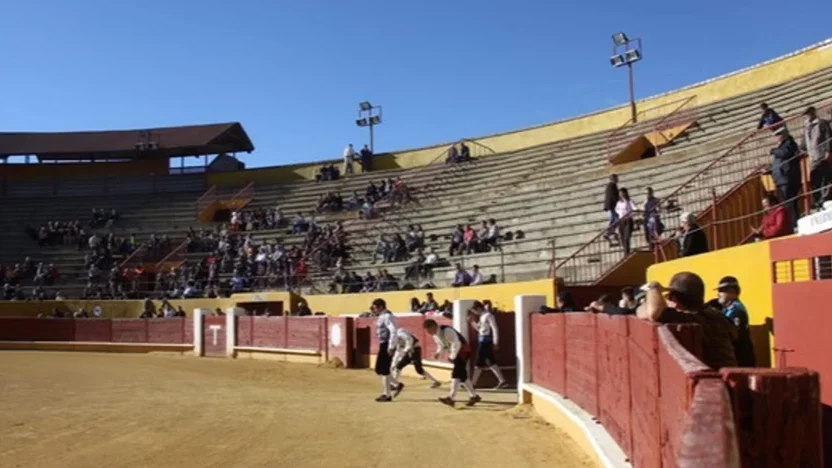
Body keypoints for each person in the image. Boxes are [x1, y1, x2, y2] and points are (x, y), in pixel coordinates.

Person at [636, 272, 738, 369]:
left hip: (714, 380)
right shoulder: (713, 314)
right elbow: (644, 311)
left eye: (669, 297)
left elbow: (653, 313)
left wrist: (653, 288)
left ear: (674, 299)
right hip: (729, 376)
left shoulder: (691, 319)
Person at [424, 319, 480, 407]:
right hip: (457, 352)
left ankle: (451, 398)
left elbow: (456, 343)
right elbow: (441, 345)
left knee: (456, 374)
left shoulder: (447, 330)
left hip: (463, 351)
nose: (428, 333)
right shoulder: (435, 335)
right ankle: (474, 396)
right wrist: (438, 353)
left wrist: (452, 357)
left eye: (429, 330)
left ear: (434, 326)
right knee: (462, 375)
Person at [714, 276, 756, 367]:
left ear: (732, 292)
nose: (718, 294)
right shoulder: (727, 308)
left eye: (721, 291)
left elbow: (732, 336)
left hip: (740, 358)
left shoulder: (736, 310)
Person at [467, 301, 507, 389]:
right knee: (490, 362)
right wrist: (472, 322)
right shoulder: (482, 316)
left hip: (486, 341)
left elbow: (495, 328)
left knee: (479, 362)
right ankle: (502, 381)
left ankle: (473, 384)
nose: (475, 313)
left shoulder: (489, 316)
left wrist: (496, 342)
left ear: (479, 308)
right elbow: (479, 329)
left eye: (475, 311)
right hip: (483, 340)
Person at [372, 299, 402, 402]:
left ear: (380, 307)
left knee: (384, 369)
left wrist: (391, 346)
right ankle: (397, 385)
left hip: (387, 344)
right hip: (383, 344)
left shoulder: (388, 316)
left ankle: (387, 394)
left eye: (375, 307)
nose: (374, 310)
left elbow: (393, 331)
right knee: (379, 369)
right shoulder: (382, 316)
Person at [770, 126, 802, 226]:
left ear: (783, 135)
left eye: (777, 135)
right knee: (786, 204)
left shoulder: (789, 143)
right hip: (782, 179)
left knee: (790, 203)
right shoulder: (783, 146)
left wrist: (774, 151)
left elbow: (785, 154)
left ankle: (794, 224)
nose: (776, 138)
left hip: (788, 178)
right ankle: (791, 224)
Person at [802, 106, 832, 209]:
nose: (806, 116)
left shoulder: (822, 123)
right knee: (815, 179)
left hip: (822, 154)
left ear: (813, 113)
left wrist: (828, 151)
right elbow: (804, 142)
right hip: (813, 157)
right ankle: (818, 200)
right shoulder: (806, 127)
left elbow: (828, 137)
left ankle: (825, 199)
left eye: (808, 113)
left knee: (825, 178)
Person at [615, 188, 637, 255]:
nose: (621, 194)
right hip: (621, 221)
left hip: (628, 220)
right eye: (620, 193)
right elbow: (617, 210)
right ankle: (625, 251)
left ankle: (626, 252)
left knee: (626, 237)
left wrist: (630, 214)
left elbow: (634, 209)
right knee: (622, 237)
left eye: (623, 193)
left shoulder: (630, 201)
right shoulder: (618, 203)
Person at [603, 174, 620, 244]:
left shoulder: (609, 186)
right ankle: (609, 232)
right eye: (617, 178)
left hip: (610, 206)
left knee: (614, 219)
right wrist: (619, 203)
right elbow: (613, 196)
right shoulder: (612, 185)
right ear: (613, 179)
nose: (618, 179)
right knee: (615, 219)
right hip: (612, 206)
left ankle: (610, 232)